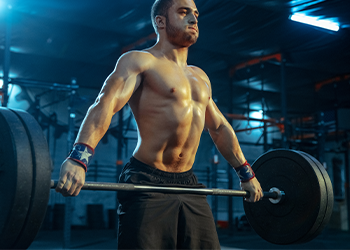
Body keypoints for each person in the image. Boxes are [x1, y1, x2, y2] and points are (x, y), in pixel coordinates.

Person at [56, 0, 263, 248]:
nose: (194, 19)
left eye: (196, 14)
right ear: (161, 22)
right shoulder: (140, 62)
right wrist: (79, 157)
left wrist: (246, 172)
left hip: (188, 183)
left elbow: (218, 128)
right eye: (184, 12)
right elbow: (105, 104)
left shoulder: (200, 76)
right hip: (147, 182)